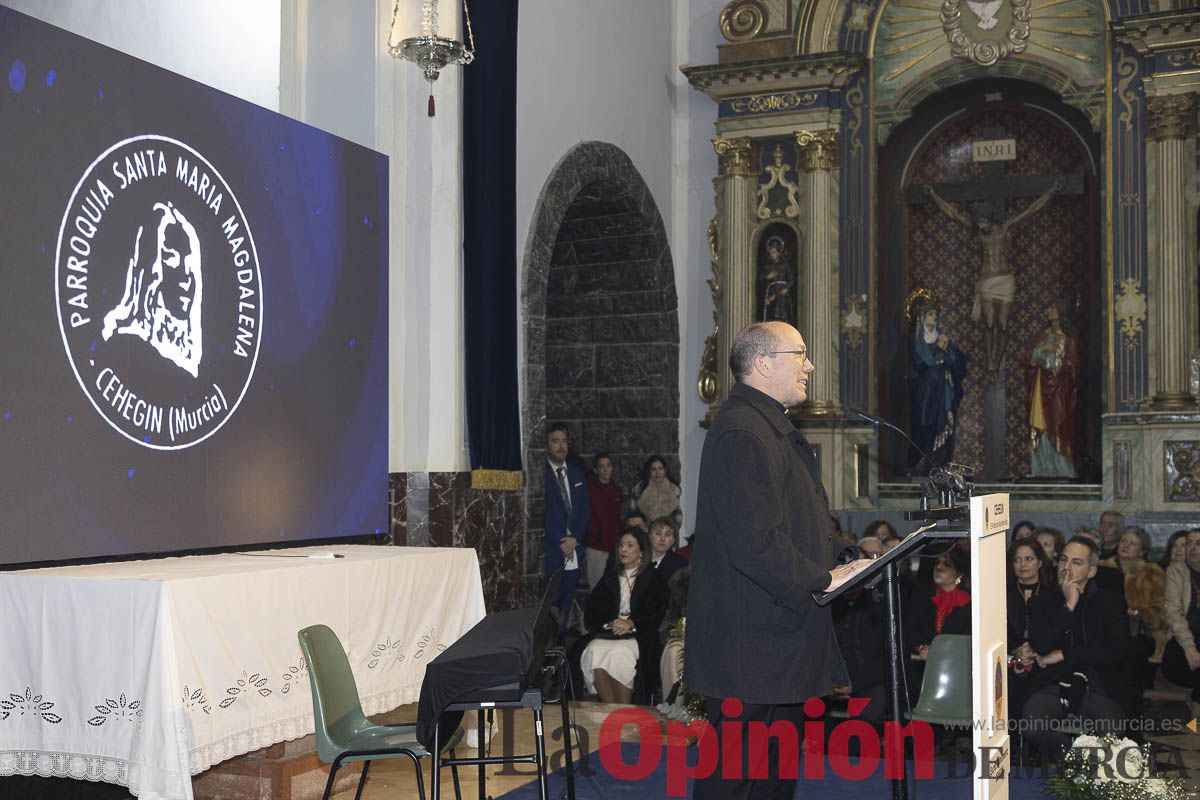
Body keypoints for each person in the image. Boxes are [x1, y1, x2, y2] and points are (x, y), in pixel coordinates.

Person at [686, 321, 872, 799]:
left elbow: (797, 525)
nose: (809, 365)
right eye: (800, 354)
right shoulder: (742, 434)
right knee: (734, 777)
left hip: (776, 645)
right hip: (750, 648)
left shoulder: (769, 426)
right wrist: (821, 579)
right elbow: (755, 543)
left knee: (773, 776)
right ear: (764, 364)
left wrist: (848, 558)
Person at [925, 179, 1063, 379]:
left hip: (1005, 280)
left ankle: (996, 365)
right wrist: (933, 196)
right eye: (978, 222)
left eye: (983, 222)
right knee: (989, 323)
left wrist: (1052, 191)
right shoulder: (978, 233)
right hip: (987, 282)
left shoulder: (1005, 229)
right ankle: (989, 362)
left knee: (1003, 325)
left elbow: (1031, 210)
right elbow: (953, 214)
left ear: (991, 219)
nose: (980, 225)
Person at [1021, 537, 1136, 753]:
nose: (1066, 567)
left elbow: (1116, 650)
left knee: (1113, 728)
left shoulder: (1110, 602)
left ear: (1091, 571)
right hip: (1052, 683)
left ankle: (1085, 765)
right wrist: (1068, 607)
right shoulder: (1041, 601)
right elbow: (1041, 645)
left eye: (1076, 562)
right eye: (1063, 560)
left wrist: (1064, 653)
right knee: (1032, 726)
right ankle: (1074, 757)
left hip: (1099, 684)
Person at [577, 528, 668, 704]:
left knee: (619, 655)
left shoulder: (653, 578)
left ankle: (624, 709)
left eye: (630, 545)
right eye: (621, 545)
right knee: (595, 651)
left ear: (641, 551)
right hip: (609, 633)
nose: (623, 550)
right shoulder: (610, 577)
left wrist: (631, 623)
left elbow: (657, 612)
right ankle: (612, 710)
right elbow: (592, 610)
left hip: (638, 635)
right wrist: (610, 623)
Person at [907, 300, 967, 471]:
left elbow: (958, 363)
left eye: (936, 314)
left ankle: (941, 462)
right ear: (922, 317)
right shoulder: (915, 341)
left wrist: (947, 352)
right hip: (925, 393)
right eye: (931, 314)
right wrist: (938, 351)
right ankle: (921, 461)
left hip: (943, 392)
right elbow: (919, 363)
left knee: (944, 424)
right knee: (924, 424)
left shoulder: (942, 338)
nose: (934, 317)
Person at [543, 423, 590, 631]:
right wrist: (560, 541)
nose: (561, 446)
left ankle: (560, 652)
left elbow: (585, 512)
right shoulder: (541, 473)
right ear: (546, 446)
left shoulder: (577, 474)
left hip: (574, 550)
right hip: (552, 550)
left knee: (566, 607)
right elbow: (540, 514)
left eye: (564, 441)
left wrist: (575, 539)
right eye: (555, 441)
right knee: (548, 608)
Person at [1025, 305, 1080, 478]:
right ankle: (1041, 467)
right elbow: (1027, 358)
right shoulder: (1042, 337)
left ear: (1061, 313)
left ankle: (1061, 467)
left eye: (1053, 308)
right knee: (1039, 425)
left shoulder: (1068, 341)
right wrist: (1041, 351)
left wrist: (1056, 363)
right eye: (1047, 308)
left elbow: (1073, 368)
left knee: (1058, 424)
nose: (1048, 311)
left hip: (1059, 391)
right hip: (1040, 388)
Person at [1006, 540, 1056, 718]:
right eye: (1017, 560)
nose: (1022, 565)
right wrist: (1017, 649)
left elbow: (1056, 631)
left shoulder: (1053, 594)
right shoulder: (1003, 593)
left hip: (1044, 659)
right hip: (1011, 657)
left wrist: (1034, 650)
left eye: (1028, 559)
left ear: (1040, 562)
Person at [1162, 529, 1200, 717]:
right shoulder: (1175, 571)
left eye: (1198, 544)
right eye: (1189, 543)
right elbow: (1173, 614)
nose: (1192, 548)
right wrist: (1189, 647)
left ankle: (1197, 702)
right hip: (1182, 641)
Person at [584, 453, 623, 589]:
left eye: (608, 466)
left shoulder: (617, 491)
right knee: (596, 585)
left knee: (614, 585)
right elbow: (584, 515)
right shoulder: (589, 490)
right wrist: (594, 532)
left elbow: (619, 517)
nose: (606, 469)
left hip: (614, 545)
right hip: (596, 545)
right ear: (596, 470)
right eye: (601, 467)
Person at [627, 455, 683, 535]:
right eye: (653, 469)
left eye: (660, 468)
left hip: (666, 537)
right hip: (644, 536)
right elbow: (632, 515)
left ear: (665, 470)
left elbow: (678, 516)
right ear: (648, 471)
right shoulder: (639, 489)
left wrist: (672, 532)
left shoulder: (673, 490)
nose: (657, 472)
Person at [648, 516, 688, 586]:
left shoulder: (682, 565)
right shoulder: (637, 558)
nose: (662, 539)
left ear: (673, 540)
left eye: (667, 534)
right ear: (649, 536)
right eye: (658, 533)